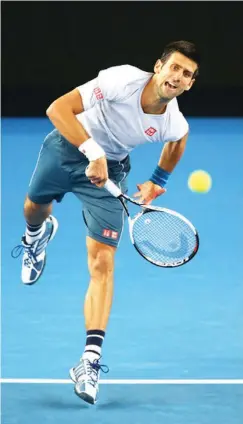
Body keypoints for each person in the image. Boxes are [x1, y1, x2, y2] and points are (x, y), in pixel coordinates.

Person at [12, 40, 199, 404]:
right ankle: (37, 234)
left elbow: (178, 140)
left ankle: (90, 361)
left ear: (190, 84)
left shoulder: (173, 122)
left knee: (102, 262)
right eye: (174, 67)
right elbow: (58, 108)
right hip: (67, 146)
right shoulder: (122, 80)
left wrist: (158, 182)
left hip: (111, 172)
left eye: (187, 74)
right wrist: (92, 151)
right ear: (158, 67)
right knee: (34, 207)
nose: (177, 77)